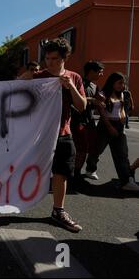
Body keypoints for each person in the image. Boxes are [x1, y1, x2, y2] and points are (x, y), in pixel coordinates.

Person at [30, 38, 87, 233]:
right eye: (47, 58)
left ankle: (58, 210)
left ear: (64, 58)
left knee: (61, 173)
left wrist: (70, 86)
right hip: (38, 134)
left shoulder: (74, 77)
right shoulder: (38, 76)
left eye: (55, 58)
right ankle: (8, 201)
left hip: (63, 133)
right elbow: (11, 89)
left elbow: (82, 106)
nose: (50, 62)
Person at [85, 72, 139, 191]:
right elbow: (102, 114)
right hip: (105, 125)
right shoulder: (103, 94)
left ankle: (126, 181)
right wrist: (110, 127)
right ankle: (91, 168)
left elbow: (125, 109)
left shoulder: (124, 94)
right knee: (97, 150)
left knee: (122, 154)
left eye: (123, 83)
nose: (122, 85)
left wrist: (123, 119)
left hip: (119, 126)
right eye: (119, 83)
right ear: (112, 83)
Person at [70, 61, 105, 180]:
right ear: (91, 72)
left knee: (90, 148)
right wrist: (91, 100)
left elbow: (95, 103)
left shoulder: (95, 86)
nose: (102, 74)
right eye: (100, 72)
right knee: (80, 149)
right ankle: (74, 174)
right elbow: (73, 100)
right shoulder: (78, 82)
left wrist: (100, 101)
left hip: (89, 121)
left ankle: (80, 171)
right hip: (77, 121)